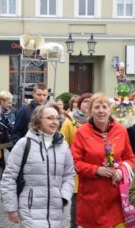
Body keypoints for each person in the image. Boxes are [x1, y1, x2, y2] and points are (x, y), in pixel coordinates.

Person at [1, 103, 75, 227]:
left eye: (57, 118)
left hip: (56, 210)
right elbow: (9, 177)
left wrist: (63, 196)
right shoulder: (24, 144)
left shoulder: (63, 145)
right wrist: (11, 207)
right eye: (50, 118)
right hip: (29, 209)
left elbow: (69, 175)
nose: (55, 122)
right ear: (38, 120)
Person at [71, 93, 135, 228]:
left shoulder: (121, 131)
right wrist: (96, 170)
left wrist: (121, 171)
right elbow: (75, 162)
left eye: (104, 107)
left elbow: (130, 158)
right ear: (90, 111)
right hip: (93, 197)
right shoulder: (82, 132)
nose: (101, 110)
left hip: (117, 196)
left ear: (109, 110)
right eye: (97, 107)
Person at [60, 92, 92, 228]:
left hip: (94, 170)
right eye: (85, 101)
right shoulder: (69, 122)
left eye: (91, 101)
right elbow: (62, 143)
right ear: (79, 104)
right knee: (77, 205)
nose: (88, 104)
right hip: (76, 170)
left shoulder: (98, 122)